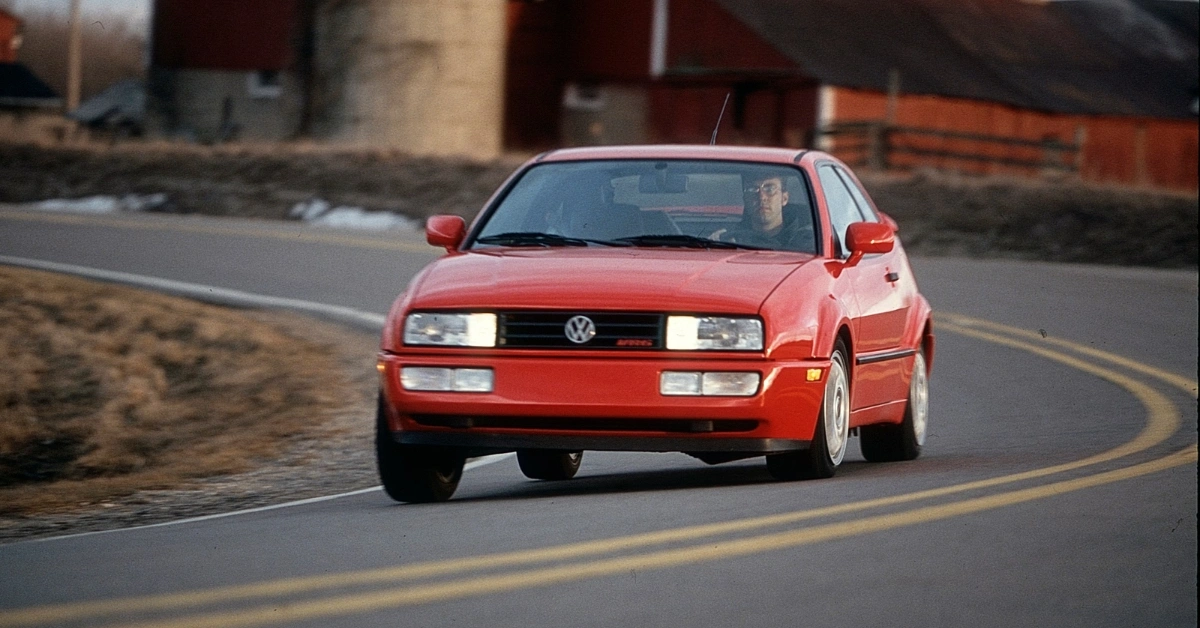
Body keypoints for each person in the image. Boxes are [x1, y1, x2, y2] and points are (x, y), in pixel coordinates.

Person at [713, 174, 811, 251]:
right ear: (745, 199)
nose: (761, 197)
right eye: (752, 190)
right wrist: (715, 246)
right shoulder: (729, 241)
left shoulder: (808, 242)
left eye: (770, 189)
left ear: (784, 198)